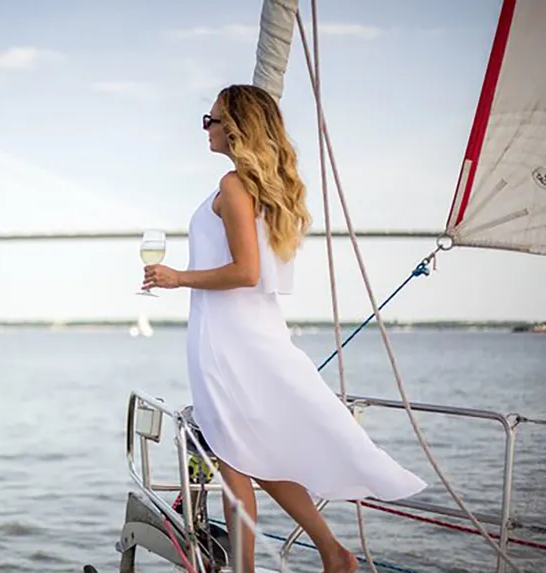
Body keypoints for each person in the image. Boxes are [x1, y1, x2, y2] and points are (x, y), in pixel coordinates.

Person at [142, 84, 427, 573]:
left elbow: (246, 272)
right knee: (253, 457)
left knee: (235, 469)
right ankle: (335, 554)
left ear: (234, 127)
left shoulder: (233, 185)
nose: (205, 129)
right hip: (247, 337)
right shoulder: (256, 188)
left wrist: (176, 278)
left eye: (209, 120)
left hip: (227, 345)